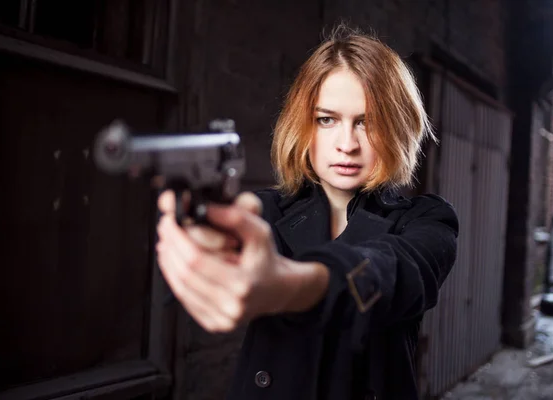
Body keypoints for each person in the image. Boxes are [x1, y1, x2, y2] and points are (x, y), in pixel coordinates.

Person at [155, 25, 458, 400]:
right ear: (303, 124)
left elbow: (388, 270)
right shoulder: (266, 211)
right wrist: (199, 241)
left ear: (397, 127)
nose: (346, 144)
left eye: (367, 122)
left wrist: (295, 284)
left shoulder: (426, 221)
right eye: (326, 119)